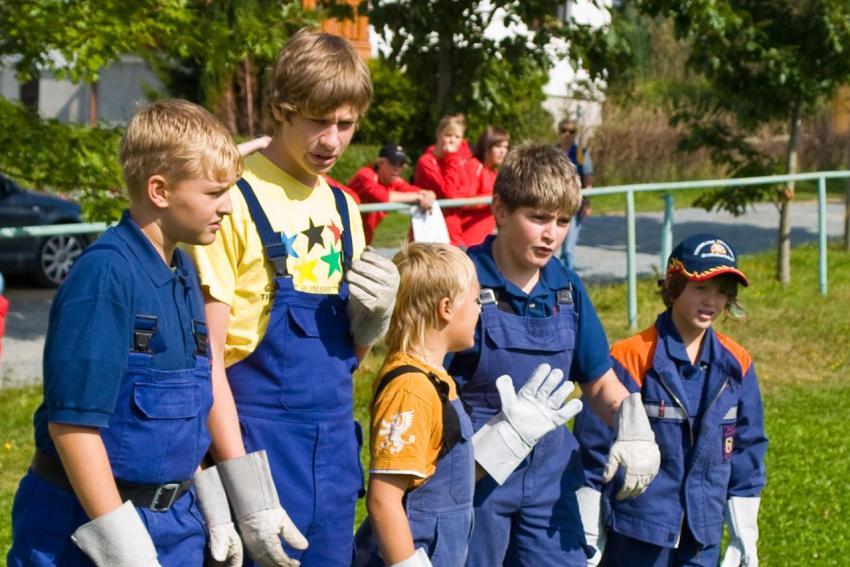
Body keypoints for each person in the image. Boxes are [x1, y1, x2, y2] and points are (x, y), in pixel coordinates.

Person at [185, 29, 400, 566]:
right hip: (251, 447)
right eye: (317, 121)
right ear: (282, 109)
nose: (332, 140)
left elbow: (345, 363)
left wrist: (370, 326)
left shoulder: (346, 208)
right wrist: (243, 484)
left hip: (330, 458)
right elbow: (204, 359)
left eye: (346, 124)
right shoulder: (232, 199)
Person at [6, 99, 244, 566]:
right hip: (85, 533)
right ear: (159, 190)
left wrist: (214, 510)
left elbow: (179, 414)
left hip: (175, 527)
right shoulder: (105, 278)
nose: (229, 207)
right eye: (215, 192)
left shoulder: (182, 272)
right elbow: (72, 427)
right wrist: (126, 550)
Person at [447, 144, 660, 566]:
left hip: (550, 484)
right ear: (501, 210)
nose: (552, 235)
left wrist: (629, 421)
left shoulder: (566, 288)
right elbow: (426, 384)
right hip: (475, 482)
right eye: (539, 218)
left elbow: (598, 380)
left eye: (563, 221)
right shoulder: (460, 280)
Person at [352, 243, 584, 567]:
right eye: (476, 300)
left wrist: (510, 436)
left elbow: (438, 480)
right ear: (446, 308)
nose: (480, 310)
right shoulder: (411, 387)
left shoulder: (436, 378)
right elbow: (383, 500)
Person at [573, 233, 768, 567]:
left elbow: (747, 448)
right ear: (674, 285)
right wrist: (588, 531)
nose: (712, 302)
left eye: (722, 292)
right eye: (701, 288)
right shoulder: (630, 357)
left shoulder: (737, 363)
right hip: (637, 533)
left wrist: (743, 530)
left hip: (702, 535)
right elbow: (593, 448)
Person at [348, 144, 436, 244]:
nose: (397, 168)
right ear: (380, 162)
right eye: (393, 162)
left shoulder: (393, 181)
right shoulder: (365, 175)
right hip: (342, 233)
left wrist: (430, 194)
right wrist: (418, 197)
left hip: (361, 238)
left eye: (401, 164)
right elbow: (382, 196)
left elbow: (414, 190)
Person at [414, 114, 475, 247]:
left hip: (454, 233)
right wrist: (452, 157)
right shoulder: (426, 162)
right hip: (430, 234)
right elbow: (450, 192)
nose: (452, 140)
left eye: (457, 137)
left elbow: (469, 191)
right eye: (448, 135)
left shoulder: (458, 160)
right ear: (438, 134)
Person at [461, 125, 510, 247]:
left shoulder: (495, 172)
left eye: (506, 147)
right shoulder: (474, 165)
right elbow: (465, 202)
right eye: (498, 146)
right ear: (486, 147)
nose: (503, 151)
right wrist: (496, 198)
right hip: (469, 239)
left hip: (485, 238)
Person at [557, 117, 594, 271]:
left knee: (568, 249)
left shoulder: (581, 153)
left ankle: (567, 279)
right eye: (564, 130)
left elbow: (588, 179)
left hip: (574, 205)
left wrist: (587, 202)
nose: (567, 134)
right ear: (559, 132)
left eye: (571, 131)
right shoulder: (553, 152)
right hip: (555, 204)